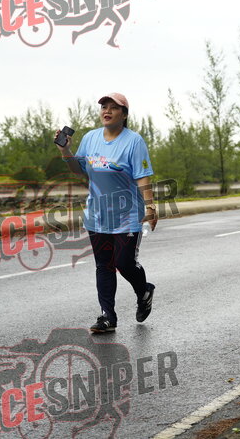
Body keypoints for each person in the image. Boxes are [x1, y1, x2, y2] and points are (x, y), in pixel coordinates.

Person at [55, 92, 158, 333]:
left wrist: (151, 206)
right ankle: (107, 316)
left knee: (124, 263)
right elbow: (78, 169)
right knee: (104, 265)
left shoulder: (134, 141)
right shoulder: (90, 138)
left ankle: (144, 291)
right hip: (97, 214)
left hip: (127, 215)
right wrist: (65, 150)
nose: (107, 111)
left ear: (124, 114)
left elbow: (142, 176)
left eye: (113, 107)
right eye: (104, 107)